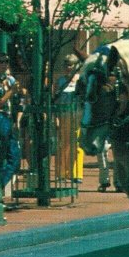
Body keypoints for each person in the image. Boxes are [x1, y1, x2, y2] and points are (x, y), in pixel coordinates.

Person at [54, 54, 86, 186]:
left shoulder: (81, 81)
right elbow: (55, 99)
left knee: (77, 144)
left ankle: (76, 173)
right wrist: (55, 117)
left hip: (77, 114)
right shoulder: (60, 81)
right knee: (63, 144)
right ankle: (61, 173)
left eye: (71, 65)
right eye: (66, 64)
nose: (68, 67)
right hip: (63, 115)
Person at [0, 53, 22, 192]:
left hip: (9, 118)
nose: (4, 64)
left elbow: (17, 101)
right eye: (1, 61)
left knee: (14, 156)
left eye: (6, 61)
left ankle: (0, 185)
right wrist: (11, 92)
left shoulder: (10, 79)